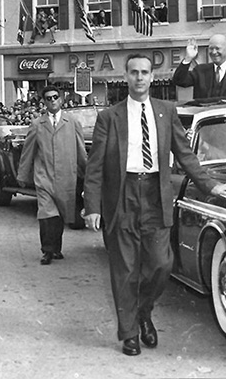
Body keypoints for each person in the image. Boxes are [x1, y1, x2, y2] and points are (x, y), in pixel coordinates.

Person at [84, 54, 214, 356]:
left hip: (156, 194)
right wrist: (92, 207)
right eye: (134, 73)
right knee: (125, 270)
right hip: (122, 196)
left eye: (144, 72)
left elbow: (185, 155)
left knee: (161, 264)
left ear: (152, 78)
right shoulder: (109, 117)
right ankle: (129, 333)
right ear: (126, 77)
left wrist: (210, 185)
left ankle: (143, 311)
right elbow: (95, 166)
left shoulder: (166, 111)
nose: (139, 78)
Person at [16, 85, 87, 265]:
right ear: (44, 102)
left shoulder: (72, 122)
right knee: (46, 215)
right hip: (44, 177)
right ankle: (47, 250)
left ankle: (56, 248)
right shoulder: (37, 125)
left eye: (55, 97)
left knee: (60, 216)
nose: (53, 100)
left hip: (66, 177)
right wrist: (23, 176)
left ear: (61, 99)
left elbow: (81, 151)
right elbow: (28, 152)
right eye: (48, 98)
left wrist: (88, 175)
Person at [172, 34, 226, 99]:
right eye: (211, 48)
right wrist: (188, 58)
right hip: (206, 119)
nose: (214, 52)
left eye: (217, 48)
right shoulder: (200, 70)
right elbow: (179, 81)